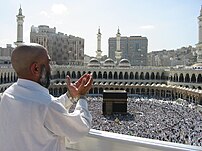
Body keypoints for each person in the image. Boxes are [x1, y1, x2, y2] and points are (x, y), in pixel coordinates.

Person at [0, 43, 93, 151]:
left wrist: (70, 96)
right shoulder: (47, 106)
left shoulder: (6, 96)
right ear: (35, 68)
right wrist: (81, 97)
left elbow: (39, 112)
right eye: (48, 63)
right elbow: (80, 129)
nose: (51, 68)